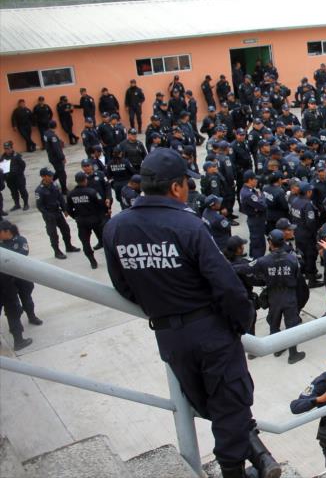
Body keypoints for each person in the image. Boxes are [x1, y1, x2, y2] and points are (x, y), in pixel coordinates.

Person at [102, 149, 282, 478]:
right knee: (231, 401)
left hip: (169, 335)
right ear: (175, 187)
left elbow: (123, 286)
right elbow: (227, 286)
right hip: (208, 329)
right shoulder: (187, 225)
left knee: (209, 402)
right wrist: (242, 324)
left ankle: (256, 450)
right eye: (187, 184)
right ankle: (235, 469)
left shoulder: (116, 227)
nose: (188, 190)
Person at [241, 230, 306, 364]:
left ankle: (277, 348)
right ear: (283, 242)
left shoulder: (263, 261)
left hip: (273, 295)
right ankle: (293, 354)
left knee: (274, 322)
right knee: (291, 325)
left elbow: (246, 269)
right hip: (289, 295)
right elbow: (297, 275)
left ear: (270, 242)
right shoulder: (293, 259)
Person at [0, 221, 35, 350]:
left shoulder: (19, 240)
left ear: (6, 232)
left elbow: (21, 257)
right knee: (13, 311)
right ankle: (18, 340)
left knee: (26, 300)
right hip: (6, 285)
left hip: (20, 280)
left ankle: (31, 316)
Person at [35, 167, 80, 259]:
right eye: (49, 176)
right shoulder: (39, 190)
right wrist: (48, 215)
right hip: (49, 214)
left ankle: (69, 246)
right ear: (43, 177)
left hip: (57, 212)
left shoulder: (54, 185)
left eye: (51, 175)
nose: (51, 177)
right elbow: (40, 206)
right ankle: (57, 251)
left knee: (66, 230)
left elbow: (60, 198)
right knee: (53, 234)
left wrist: (64, 209)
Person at [67, 171, 107, 269]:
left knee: (85, 242)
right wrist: (102, 216)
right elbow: (101, 205)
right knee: (104, 239)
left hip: (81, 221)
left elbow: (69, 210)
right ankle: (110, 257)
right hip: (95, 220)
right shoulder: (92, 192)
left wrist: (76, 217)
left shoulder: (71, 194)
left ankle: (92, 261)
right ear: (85, 180)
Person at [239, 170, 267, 259]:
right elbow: (263, 206)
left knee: (255, 241)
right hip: (256, 220)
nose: (257, 181)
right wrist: (261, 196)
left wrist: (259, 196)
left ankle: (253, 257)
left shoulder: (248, 190)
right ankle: (257, 262)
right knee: (258, 243)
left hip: (255, 218)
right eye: (255, 179)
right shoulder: (248, 194)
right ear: (250, 180)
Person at [2, 141, 29, 211]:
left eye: (8, 148)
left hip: (18, 177)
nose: (7, 150)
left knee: (22, 191)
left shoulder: (16, 156)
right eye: (5, 149)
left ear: (11, 148)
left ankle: (26, 203)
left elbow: (23, 165)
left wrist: (19, 172)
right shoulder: (3, 157)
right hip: (9, 179)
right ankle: (17, 204)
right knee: (13, 192)